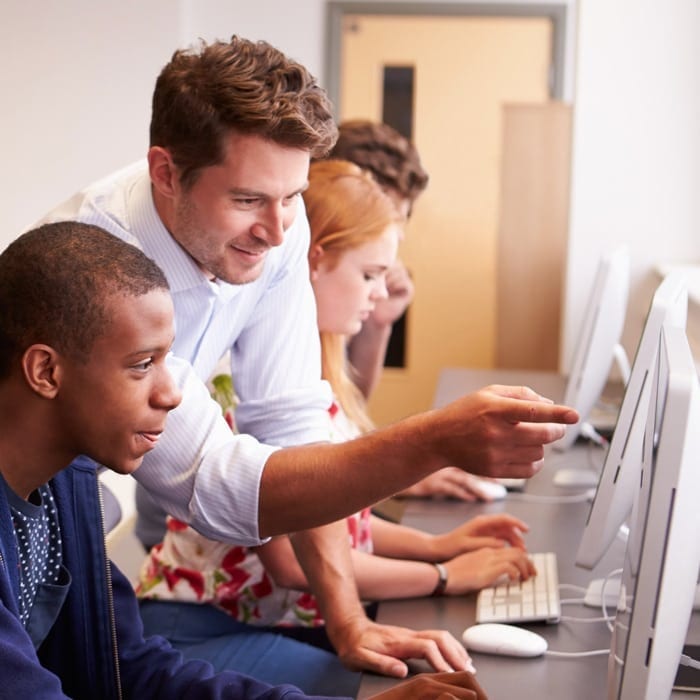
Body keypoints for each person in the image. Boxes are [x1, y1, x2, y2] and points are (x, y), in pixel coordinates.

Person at [38, 35, 577, 685]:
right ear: (165, 174)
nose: (279, 228)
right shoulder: (101, 264)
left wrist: (348, 618)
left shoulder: (275, 232)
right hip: (51, 536)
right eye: (247, 199)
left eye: (292, 195)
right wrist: (435, 440)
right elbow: (225, 491)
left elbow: (292, 429)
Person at [0, 220, 489, 700]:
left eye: (168, 360)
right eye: (142, 364)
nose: (171, 394)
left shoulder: (66, 485)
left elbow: (130, 667)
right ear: (45, 371)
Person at [136, 160, 537, 671]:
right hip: (193, 630)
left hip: (262, 618)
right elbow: (290, 564)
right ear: (314, 262)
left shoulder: (317, 380)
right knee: (396, 683)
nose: (378, 293)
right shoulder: (239, 386)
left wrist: (436, 547)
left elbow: (344, 523)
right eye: (369, 274)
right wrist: (445, 575)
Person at [328, 119, 505, 503]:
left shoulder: (348, 294)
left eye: (400, 220)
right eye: (380, 216)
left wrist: (379, 323)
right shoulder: (311, 291)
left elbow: (343, 413)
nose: (395, 237)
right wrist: (399, 475)